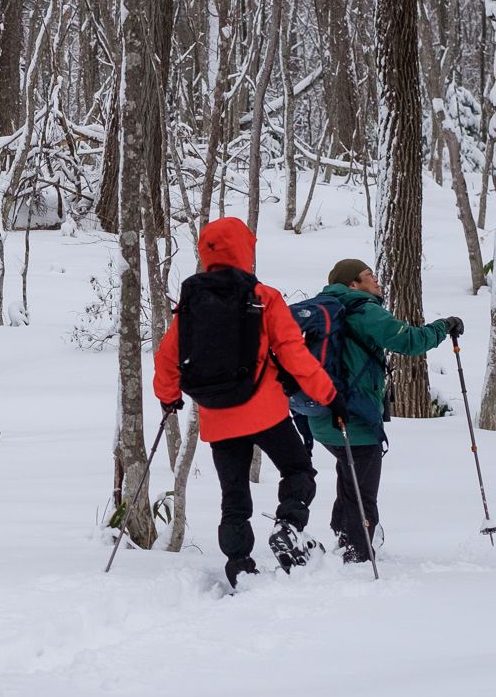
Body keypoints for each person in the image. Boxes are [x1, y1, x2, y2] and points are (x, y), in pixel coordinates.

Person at [153, 217, 344, 589]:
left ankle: (240, 563)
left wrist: (168, 397)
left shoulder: (190, 303)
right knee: (298, 469)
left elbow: (166, 357)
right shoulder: (264, 297)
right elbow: (293, 354)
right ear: (245, 249)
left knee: (234, 495)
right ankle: (288, 527)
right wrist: (329, 396)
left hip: (218, 417)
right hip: (265, 411)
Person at [303, 258, 461, 564]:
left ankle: (344, 539)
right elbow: (410, 341)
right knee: (362, 490)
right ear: (353, 284)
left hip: (320, 415)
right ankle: (359, 554)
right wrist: (445, 326)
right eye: (368, 276)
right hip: (354, 417)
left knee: (350, 476)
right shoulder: (363, 310)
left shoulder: (321, 310)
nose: (376, 281)